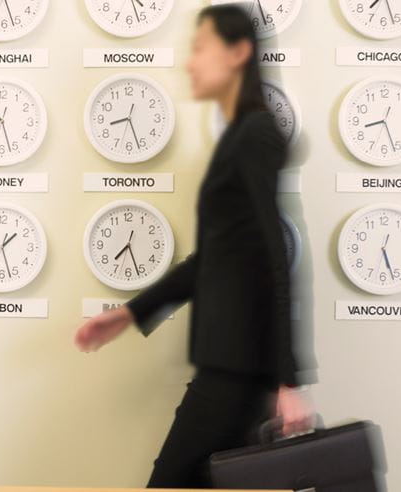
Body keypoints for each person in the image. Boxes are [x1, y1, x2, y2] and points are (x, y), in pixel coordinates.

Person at [73, 4, 317, 488]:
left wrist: (289, 380)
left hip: (237, 369)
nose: (189, 62)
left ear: (238, 53)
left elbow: (274, 254)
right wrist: (129, 314)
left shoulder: (254, 134)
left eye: (200, 48)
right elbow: (215, 258)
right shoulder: (240, 136)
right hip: (229, 365)